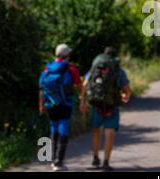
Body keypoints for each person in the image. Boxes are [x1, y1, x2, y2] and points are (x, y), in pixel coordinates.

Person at [80, 47, 131, 171]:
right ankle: (106, 162)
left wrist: (82, 102)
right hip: (112, 106)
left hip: (96, 105)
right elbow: (126, 89)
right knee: (109, 133)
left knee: (96, 132)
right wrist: (126, 96)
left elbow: (84, 85)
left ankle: (95, 159)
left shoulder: (95, 68)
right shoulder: (118, 70)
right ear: (115, 57)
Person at [39, 44, 82, 172]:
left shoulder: (47, 68)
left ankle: (52, 160)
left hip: (50, 104)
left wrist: (41, 104)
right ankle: (59, 162)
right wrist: (82, 99)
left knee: (53, 127)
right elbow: (79, 85)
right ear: (67, 55)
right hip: (65, 104)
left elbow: (41, 88)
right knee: (64, 128)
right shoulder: (70, 69)